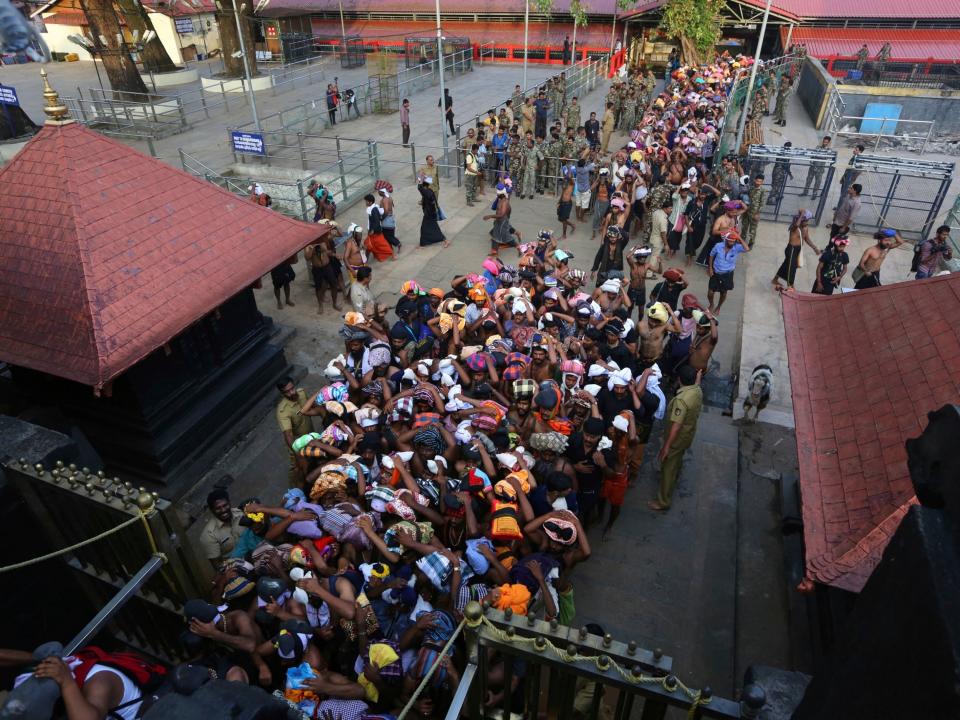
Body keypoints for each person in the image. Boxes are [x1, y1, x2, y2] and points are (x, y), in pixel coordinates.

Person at [648, 364, 702, 512]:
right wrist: (698, 376)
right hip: (688, 435)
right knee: (677, 459)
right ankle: (675, 473)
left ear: (679, 380)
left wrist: (666, 447)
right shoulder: (696, 390)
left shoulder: (681, 400)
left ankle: (663, 501)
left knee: (668, 467)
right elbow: (697, 383)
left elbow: (676, 425)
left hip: (677, 438)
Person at [771, 209, 819, 291]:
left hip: (797, 250)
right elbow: (797, 225)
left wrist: (814, 248)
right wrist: (802, 214)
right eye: (806, 220)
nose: (807, 222)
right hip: (791, 250)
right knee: (791, 269)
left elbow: (807, 238)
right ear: (801, 220)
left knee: (786, 265)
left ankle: (775, 279)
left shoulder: (805, 228)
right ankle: (790, 286)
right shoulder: (794, 227)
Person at [276, 377, 312, 483]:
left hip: (311, 438)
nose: (291, 393)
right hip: (298, 445)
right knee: (298, 471)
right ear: (282, 393)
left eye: (292, 388)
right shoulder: (282, 411)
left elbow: (312, 407)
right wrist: (298, 454)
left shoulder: (301, 393)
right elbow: (288, 435)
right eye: (287, 392)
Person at [200, 486, 244, 568]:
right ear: (212, 510)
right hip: (234, 566)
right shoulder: (209, 535)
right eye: (218, 508)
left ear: (229, 503)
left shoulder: (241, 513)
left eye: (225, 505)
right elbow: (217, 565)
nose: (223, 510)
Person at [707, 228, 750, 314]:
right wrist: (710, 268)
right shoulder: (718, 246)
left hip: (727, 275)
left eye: (733, 241)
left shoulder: (737, 248)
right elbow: (711, 256)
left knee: (723, 293)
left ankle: (719, 307)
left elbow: (747, 249)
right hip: (716, 273)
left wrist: (738, 237)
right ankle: (711, 304)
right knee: (710, 292)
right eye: (730, 241)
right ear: (726, 240)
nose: (731, 243)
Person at [304, 234, 340, 313]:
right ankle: (320, 305)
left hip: (327, 266)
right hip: (317, 269)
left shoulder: (322, 241)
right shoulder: (308, 245)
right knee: (318, 287)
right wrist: (313, 248)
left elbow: (327, 251)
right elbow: (307, 257)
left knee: (334, 284)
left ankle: (335, 303)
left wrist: (334, 254)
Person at [417, 176, 447, 248]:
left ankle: (445, 240)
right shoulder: (429, 190)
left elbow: (419, 188)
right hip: (430, 213)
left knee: (430, 228)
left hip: (429, 214)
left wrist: (420, 180)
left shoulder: (426, 191)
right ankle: (423, 243)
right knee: (426, 228)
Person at [364, 194, 393, 262]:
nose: (365, 203)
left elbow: (377, 221)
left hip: (375, 232)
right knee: (371, 245)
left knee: (371, 245)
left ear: (370, 202)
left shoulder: (374, 210)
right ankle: (367, 259)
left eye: (366, 201)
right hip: (374, 231)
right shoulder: (374, 208)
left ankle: (365, 260)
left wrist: (372, 230)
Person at [378, 186, 399, 254]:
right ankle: (390, 249)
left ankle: (397, 243)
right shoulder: (389, 197)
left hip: (387, 220)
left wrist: (382, 218)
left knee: (387, 236)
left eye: (379, 191)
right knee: (390, 235)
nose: (378, 192)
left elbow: (386, 210)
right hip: (391, 218)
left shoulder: (384, 199)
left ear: (382, 192)